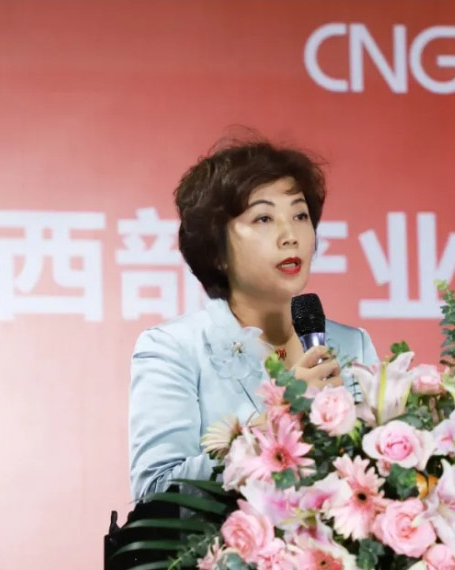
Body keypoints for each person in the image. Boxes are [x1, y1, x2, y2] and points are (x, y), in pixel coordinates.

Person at [128, 140, 379, 502]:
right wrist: (278, 422)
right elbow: (156, 493)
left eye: (300, 215)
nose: (290, 236)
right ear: (217, 250)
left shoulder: (352, 344)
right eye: (263, 218)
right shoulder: (174, 348)